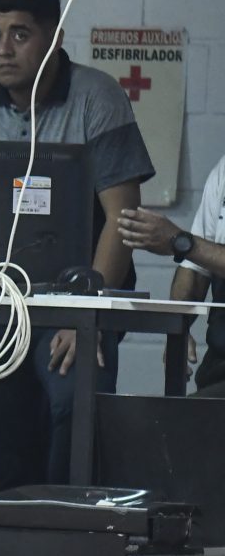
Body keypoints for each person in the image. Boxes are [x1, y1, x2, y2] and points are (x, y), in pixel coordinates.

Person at [0, 0, 154, 490]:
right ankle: (11, 534)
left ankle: (67, 527)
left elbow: (122, 219)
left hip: (77, 303)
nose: (3, 49)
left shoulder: (97, 97)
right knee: (0, 438)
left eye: (20, 34)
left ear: (54, 38)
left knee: (74, 414)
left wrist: (84, 314)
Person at [118, 159, 225, 399]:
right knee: (177, 414)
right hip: (218, 361)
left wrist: (180, 241)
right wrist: (178, 326)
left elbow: (192, 247)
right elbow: (195, 266)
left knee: (183, 418)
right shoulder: (223, 170)